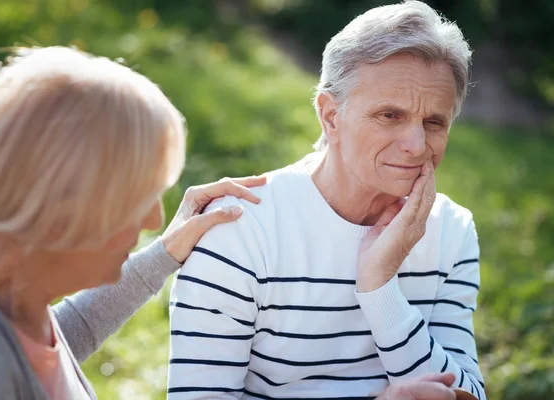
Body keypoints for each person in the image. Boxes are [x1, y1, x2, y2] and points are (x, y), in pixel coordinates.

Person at [167, 1, 485, 399]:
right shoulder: (237, 228)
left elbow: (468, 394)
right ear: (330, 116)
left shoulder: (452, 230)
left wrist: (380, 289)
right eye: (390, 115)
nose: (417, 145)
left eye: (434, 122)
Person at [0, 46, 267, 399]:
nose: (154, 218)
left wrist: (163, 253)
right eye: (139, 200)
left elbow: (52, 349)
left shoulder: (8, 294)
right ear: (67, 208)